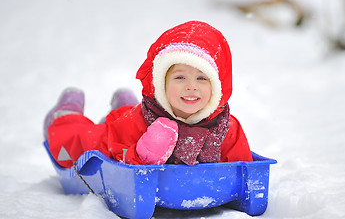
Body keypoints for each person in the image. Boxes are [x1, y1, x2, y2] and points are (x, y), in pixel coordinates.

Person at [44, 21, 253, 168]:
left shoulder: (226, 128)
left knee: (122, 114)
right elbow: (114, 162)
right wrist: (144, 155)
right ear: (161, 83)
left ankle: (123, 102)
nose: (191, 86)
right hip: (115, 132)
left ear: (217, 87)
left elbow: (244, 167)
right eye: (180, 78)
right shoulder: (139, 121)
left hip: (128, 119)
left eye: (201, 78)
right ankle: (65, 114)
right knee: (72, 145)